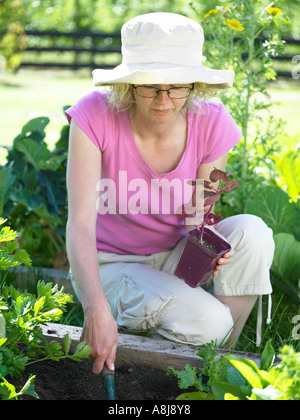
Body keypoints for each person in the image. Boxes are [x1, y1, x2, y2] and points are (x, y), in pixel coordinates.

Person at [65, 12, 275, 375]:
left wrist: (207, 246)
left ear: (194, 84)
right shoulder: (93, 115)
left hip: (175, 256)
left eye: (177, 86)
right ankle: (205, 343)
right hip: (111, 264)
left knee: (254, 232)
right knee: (208, 322)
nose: (164, 100)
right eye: (150, 85)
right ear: (129, 85)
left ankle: (218, 361)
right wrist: (94, 308)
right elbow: (80, 223)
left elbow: (199, 213)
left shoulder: (212, 121)